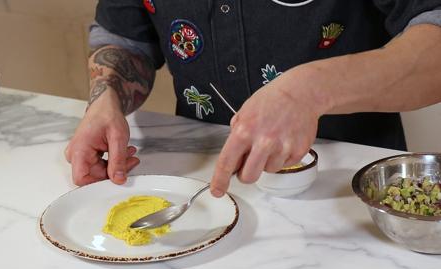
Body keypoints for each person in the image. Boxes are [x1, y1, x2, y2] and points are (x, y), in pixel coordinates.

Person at [65, 1, 441, 198]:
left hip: (345, 189)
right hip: (200, 183)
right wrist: (106, 97)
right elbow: (126, 39)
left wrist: (310, 90)